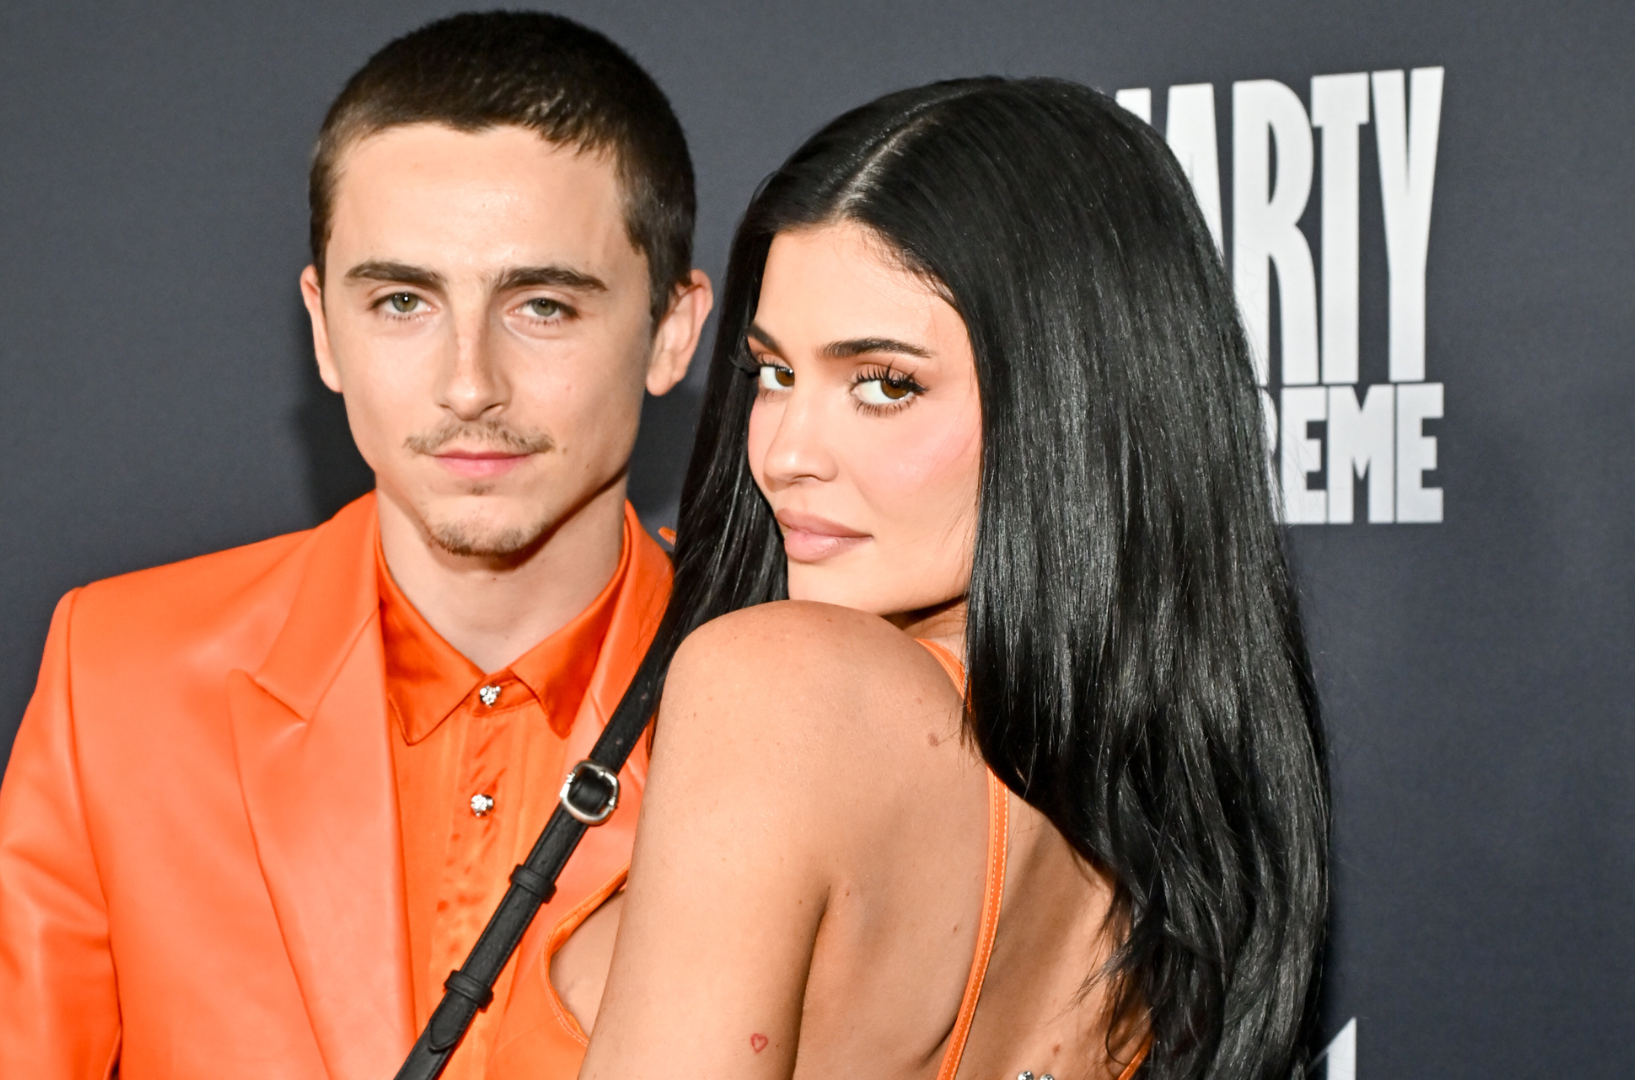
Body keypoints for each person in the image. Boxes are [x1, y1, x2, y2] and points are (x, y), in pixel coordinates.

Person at [0, 13, 712, 1080]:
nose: (470, 384)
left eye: (544, 306)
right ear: (324, 328)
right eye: (401, 302)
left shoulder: (792, 721)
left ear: (670, 331)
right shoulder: (121, 677)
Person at [492, 78, 1329, 1080]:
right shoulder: (1156, 819)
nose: (787, 452)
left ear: (1072, 410)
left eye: (885, 385)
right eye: (773, 373)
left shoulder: (777, 685)